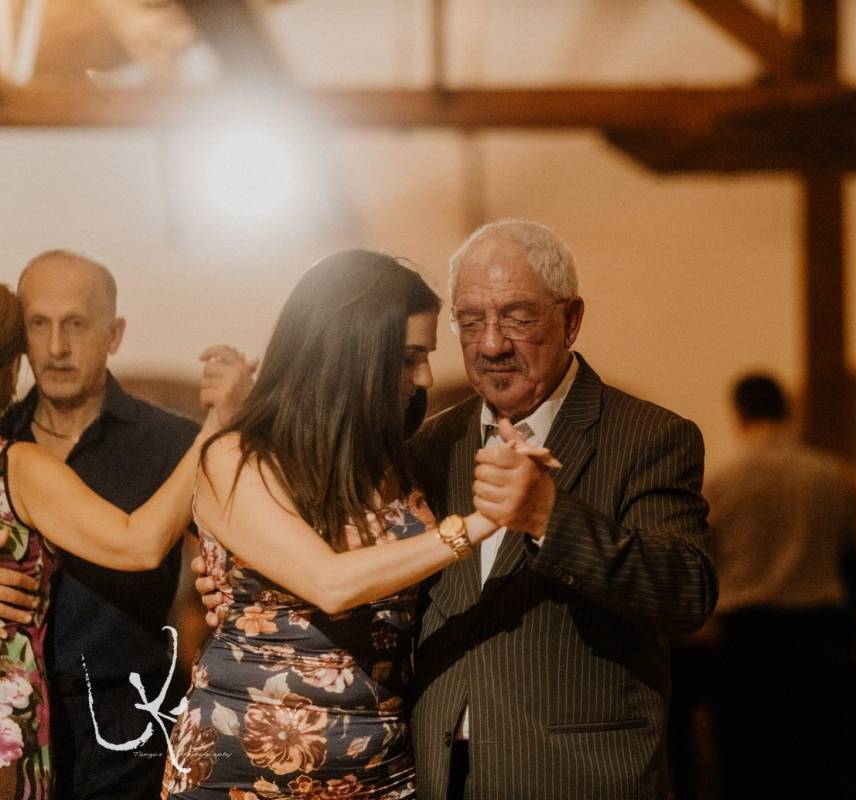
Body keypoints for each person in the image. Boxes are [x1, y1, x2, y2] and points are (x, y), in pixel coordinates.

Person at [196, 224, 717, 799]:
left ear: (570, 320)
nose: (491, 344)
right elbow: (354, 565)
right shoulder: (427, 444)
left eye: (517, 317)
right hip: (427, 771)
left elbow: (685, 595)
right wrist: (244, 579)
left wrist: (550, 518)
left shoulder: (647, 436)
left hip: (571, 774)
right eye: (470, 322)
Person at [163, 250, 538, 799]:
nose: (425, 377)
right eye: (408, 357)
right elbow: (329, 584)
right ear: (350, 353)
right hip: (242, 771)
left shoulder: (401, 460)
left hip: (380, 770)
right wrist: (480, 524)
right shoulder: (235, 459)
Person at [0, 251, 253, 800]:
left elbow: (246, 552)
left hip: (132, 721)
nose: (57, 347)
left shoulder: (173, 443)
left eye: (76, 324)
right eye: (39, 324)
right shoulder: (4, 439)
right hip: (14, 724)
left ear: (113, 334)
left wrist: (236, 425)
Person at [705, 373, 856, 800]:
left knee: (749, 778)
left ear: (739, 415)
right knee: (823, 778)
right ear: (788, 412)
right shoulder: (829, 476)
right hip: (821, 645)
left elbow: (697, 570)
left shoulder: (719, 483)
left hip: (745, 648)